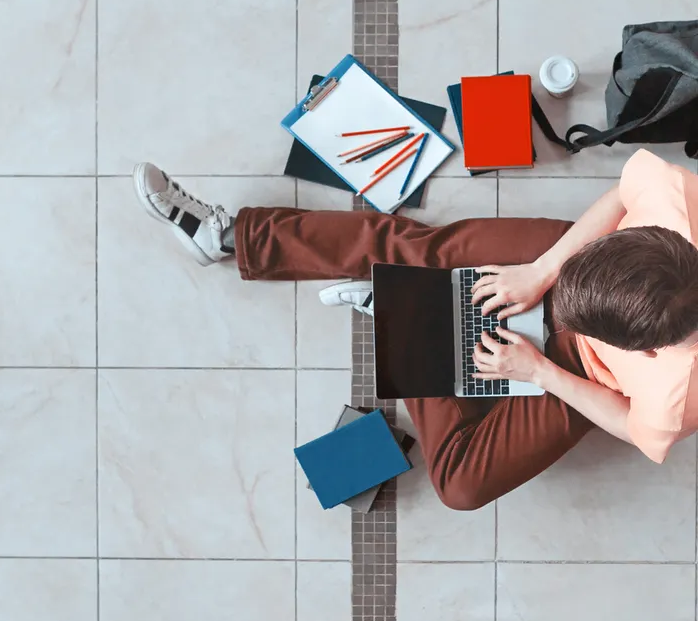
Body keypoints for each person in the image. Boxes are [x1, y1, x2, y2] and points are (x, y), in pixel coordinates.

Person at [132, 149, 698, 510]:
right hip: (569, 268)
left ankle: (401, 311)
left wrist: (542, 370)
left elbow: (628, 422)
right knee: (418, 253)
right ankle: (230, 237)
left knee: (461, 484)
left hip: (581, 372)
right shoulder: (677, 203)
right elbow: (626, 194)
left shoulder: (677, 396)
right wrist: (545, 271)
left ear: (648, 351)